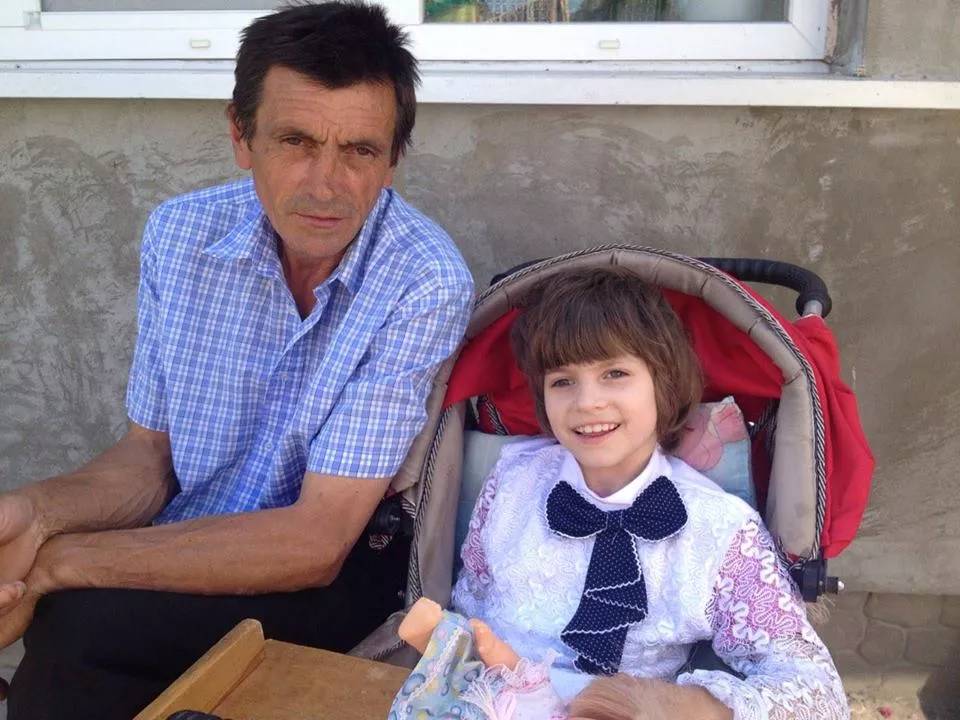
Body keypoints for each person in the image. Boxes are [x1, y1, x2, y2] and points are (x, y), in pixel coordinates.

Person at [0, 3, 474, 718]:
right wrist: (34, 516)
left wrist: (60, 563)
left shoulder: (423, 278)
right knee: (75, 626)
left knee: (79, 623)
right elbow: (150, 458)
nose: (325, 183)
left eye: (359, 151)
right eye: (295, 141)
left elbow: (318, 540)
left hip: (339, 562)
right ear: (240, 135)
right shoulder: (181, 235)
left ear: (393, 160)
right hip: (194, 528)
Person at [399, 267, 848, 719]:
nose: (587, 402)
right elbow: (471, 601)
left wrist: (682, 707)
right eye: (562, 381)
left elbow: (818, 692)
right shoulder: (510, 483)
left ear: (663, 383)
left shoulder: (721, 532)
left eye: (614, 373)